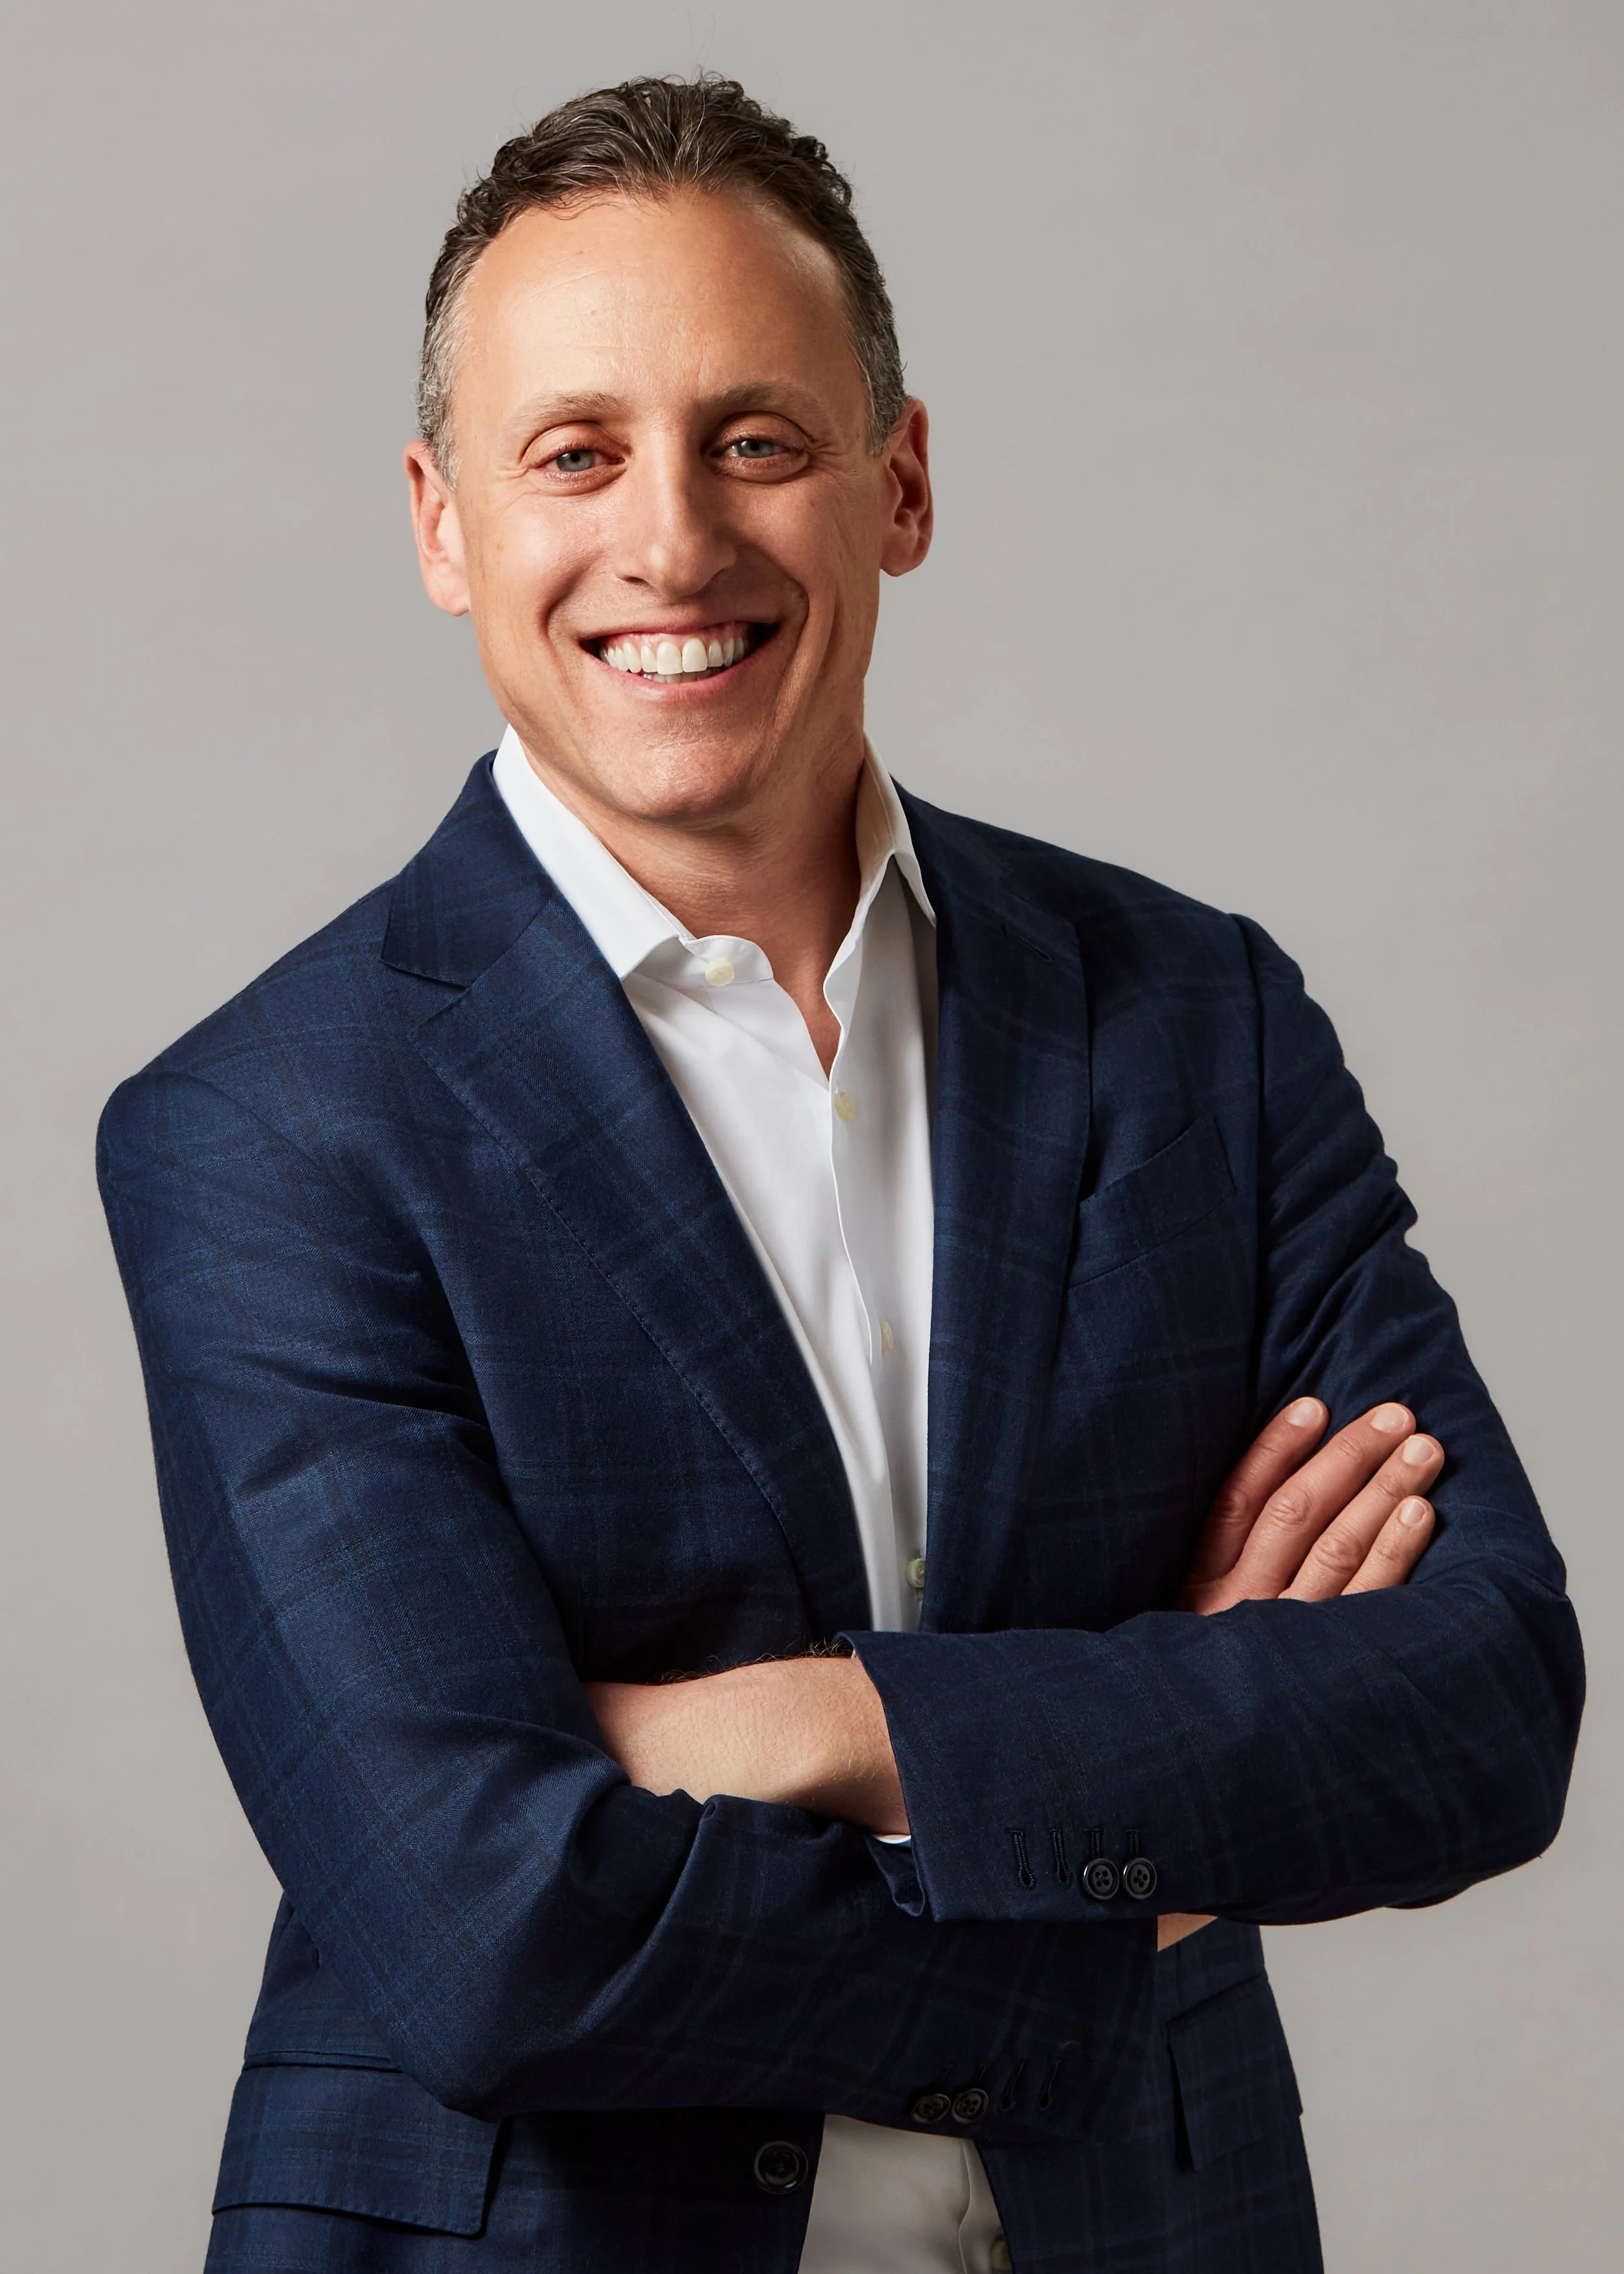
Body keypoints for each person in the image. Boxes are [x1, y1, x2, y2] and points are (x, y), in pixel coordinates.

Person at [97, 74, 1582, 2274]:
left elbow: (1481, 1702)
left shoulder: (1196, 1019)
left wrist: (816, 1727)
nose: (672, 540)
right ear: (443, 524)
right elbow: (484, 1918)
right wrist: (1139, 1826)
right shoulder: (271, 1127)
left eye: (757, 440)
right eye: (574, 451)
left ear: (896, 484)